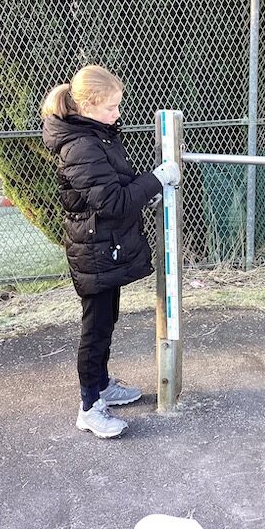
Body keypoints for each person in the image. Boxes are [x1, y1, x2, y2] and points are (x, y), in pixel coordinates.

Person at [41, 64, 179, 439]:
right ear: (87, 106)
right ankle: (89, 406)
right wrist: (156, 179)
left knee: (107, 321)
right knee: (96, 329)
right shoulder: (79, 146)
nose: (117, 114)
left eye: (118, 105)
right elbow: (113, 202)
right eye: (110, 108)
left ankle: (101, 385)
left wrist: (146, 192)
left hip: (105, 248)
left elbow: (118, 186)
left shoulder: (98, 135)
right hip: (93, 252)